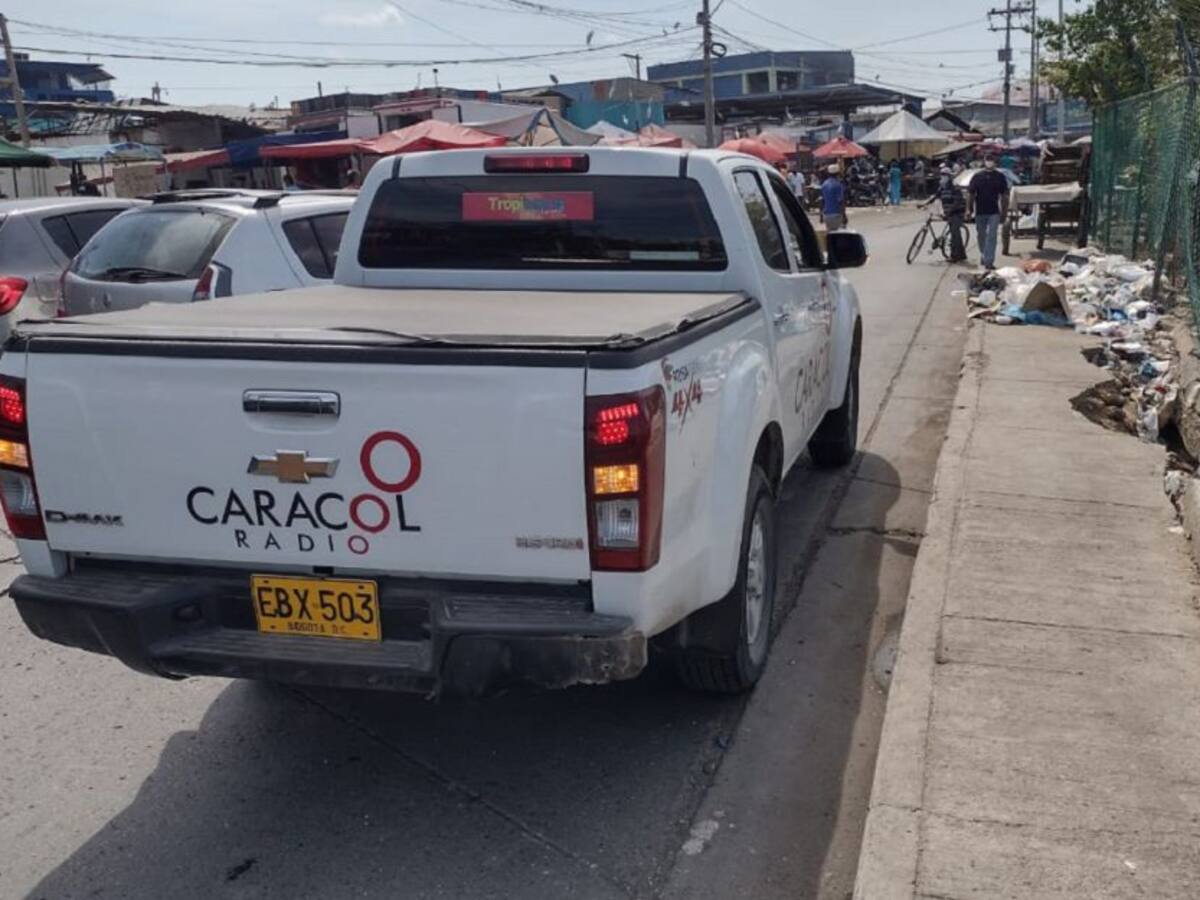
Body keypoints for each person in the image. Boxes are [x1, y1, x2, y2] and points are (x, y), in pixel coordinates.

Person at [967, 155, 1010, 270]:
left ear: (995, 162)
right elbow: (971, 194)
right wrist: (969, 209)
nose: (990, 162)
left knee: (992, 236)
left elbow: (1004, 196)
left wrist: (1004, 212)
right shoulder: (977, 177)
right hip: (980, 211)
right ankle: (984, 254)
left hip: (994, 212)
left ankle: (989, 261)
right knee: (981, 235)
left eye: (992, 160)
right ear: (984, 161)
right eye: (988, 160)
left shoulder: (1000, 177)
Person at [921, 165, 967, 262]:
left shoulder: (954, 187)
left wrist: (951, 210)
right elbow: (935, 197)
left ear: (949, 177)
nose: (943, 177)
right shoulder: (942, 188)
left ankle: (955, 256)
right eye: (942, 175)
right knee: (954, 233)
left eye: (945, 175)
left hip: (957, 212)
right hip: (948, 212)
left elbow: (958, 201)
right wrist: (924, 203)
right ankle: (962, 255)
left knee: (955, 234)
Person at [820, 164, 847, 231]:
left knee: (831, 236)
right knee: (839, 236)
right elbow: (840, 201)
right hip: (836, 214)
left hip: (827, 215)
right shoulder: (838, 185)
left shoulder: (824, 184)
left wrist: (821, 215)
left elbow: (822, 201)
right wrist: (844, 215)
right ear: (837, 174)